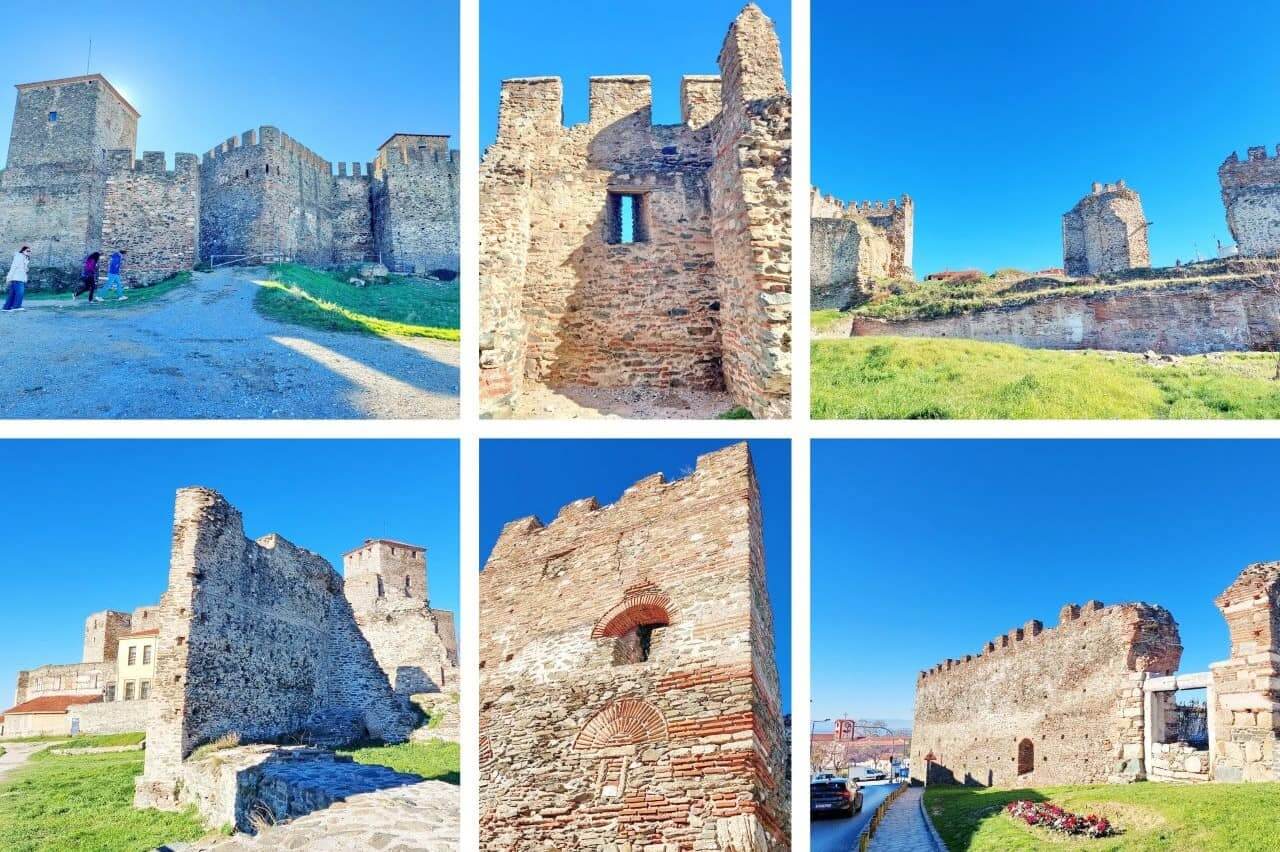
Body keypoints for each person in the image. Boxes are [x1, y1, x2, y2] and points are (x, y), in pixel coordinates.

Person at [3, 245, 30, 311]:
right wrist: (8, 277)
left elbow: (23, 269)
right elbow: (13, 267)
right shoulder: (19, 257)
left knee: (12, 293)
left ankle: (7, 307)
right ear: (23, 251)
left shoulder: (24, 258)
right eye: (28, 251)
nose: (29, 252)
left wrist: (26, 268)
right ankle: (16, 306)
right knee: (20, 292)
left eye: (30, 251)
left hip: (19, 278)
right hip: (17, 278)